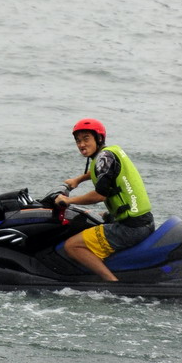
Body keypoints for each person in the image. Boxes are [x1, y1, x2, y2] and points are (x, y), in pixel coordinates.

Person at [55, 118, 155, 282]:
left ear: (99, 138)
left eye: (86, 139)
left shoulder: (103, 157)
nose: (81, 144)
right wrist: (78, 180)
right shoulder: (109, 153)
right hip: (141, 220)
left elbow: (99, 195)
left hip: (131, 227)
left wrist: (68, 200)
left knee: (72, 246)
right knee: (92, 216)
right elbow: (99, 171)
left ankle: (112, 283)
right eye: (78, 141)